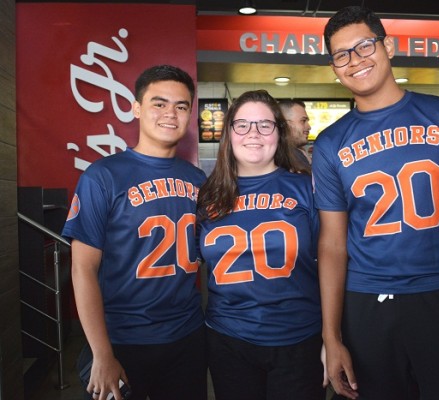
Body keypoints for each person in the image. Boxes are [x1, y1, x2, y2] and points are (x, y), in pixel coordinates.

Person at [312, 6, 439, 400]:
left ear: (388, 46)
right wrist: (331, 337)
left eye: (364, 46)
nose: (355, 60)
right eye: (341, 55)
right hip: (366, 302)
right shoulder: (330, 143)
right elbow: (333, 244)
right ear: (334, 67)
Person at [62, 65, 207, 400]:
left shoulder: (199, 180)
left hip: (186, 335)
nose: (171, 113)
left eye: (181, 106)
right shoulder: (102, 177)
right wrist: (101, 353)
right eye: (159, 103)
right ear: (136, 107)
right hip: (122, 338)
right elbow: (83, 268)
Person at [196, 90, 323, 400]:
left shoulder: (309, 188)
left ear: (278, 133)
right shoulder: (206, 195)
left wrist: (334, 338)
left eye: (265, 125)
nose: (253, 133)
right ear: (229, 133)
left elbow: (335, 263)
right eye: (243, 124)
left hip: (299, 338)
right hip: (228, 339)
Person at [279, 99, 312, 168]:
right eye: (303, 121)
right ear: (285, 124)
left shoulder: (297, 154)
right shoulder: (292, 157)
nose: (309, 127)